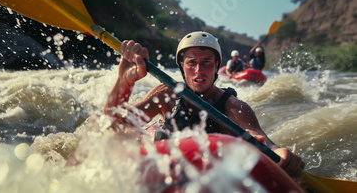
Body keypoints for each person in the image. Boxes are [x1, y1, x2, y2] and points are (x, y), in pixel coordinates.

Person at [103, 31, 304, 178]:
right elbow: (111, 126)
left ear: (217, 66)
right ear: (181, 66)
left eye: (207, 62)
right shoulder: (166, 95)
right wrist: (124, 82)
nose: (199, 70)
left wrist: (280, 154)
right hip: (166, 163)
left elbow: (261, 139)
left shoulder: (234, 107)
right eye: (191, 62)